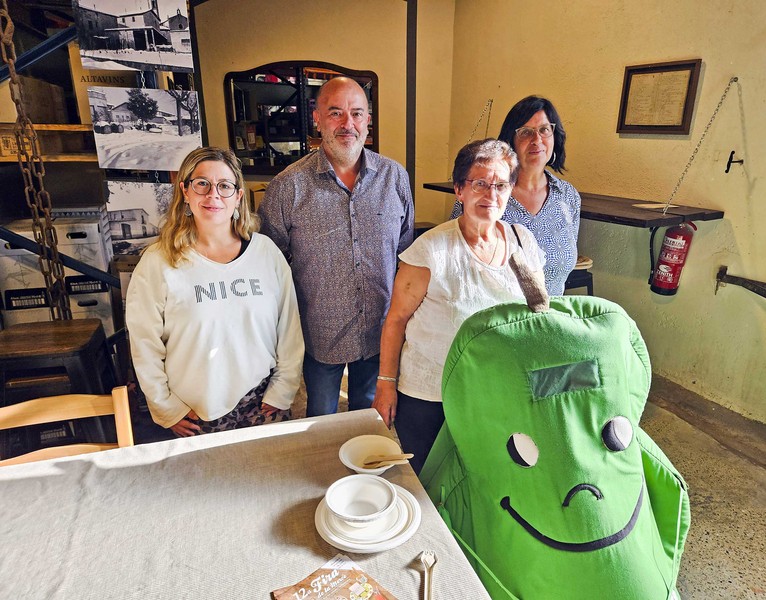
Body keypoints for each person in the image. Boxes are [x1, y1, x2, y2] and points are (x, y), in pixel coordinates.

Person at [372, 139, 546, 473]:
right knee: (429, 477)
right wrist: (385, 384)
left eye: (500, 185)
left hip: (496, 390)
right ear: (459, 190)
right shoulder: (430, 251)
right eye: (479, 183)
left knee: (481, 475)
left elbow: (537, 312)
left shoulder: (523, 240)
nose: (490, 194)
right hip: (430, 394)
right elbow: (395, 320)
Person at [259, 76, 414, 417]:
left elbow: (406, 254)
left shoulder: (395, 178)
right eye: (336, 113)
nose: (348, 124)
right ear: (316, 118)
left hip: (379, 329)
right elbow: (269, 265)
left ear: (368, 120)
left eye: (357, 114)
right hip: (318, 333)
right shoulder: (288, 187)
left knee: (368, 418)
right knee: (320, 419)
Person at [127, 146, 304, 437]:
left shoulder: (265, 253)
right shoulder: (159, 260)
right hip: (196, 411)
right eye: (202, 184)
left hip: (262, 402)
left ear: (238, 196)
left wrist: (283, 390)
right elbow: (144, 343)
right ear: (185, 191)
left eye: (224, 186)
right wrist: (166, 407)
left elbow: (289, 329)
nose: (213, 195)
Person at [450, 96, 581, 296]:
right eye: (526, 132)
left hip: (549, 319)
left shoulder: (568, 196)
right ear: (510, 141)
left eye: (544, 130)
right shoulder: (484, 192)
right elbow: (453, 260)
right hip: (492, 320)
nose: (537, 140)